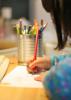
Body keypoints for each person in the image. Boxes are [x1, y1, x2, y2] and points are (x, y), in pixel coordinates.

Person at [27, 0, 71, 100]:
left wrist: (49, 77)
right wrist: (51, 62)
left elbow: (60, 85)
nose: (54, 20)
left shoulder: (60, 77)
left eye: (55, 14)